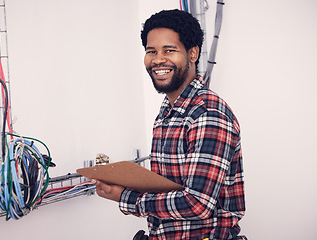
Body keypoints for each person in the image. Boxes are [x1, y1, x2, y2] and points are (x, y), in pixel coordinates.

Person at [92, 9, 247, 240]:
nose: (157, 60)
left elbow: (197, 203)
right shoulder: (167, 112)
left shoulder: (207, 113)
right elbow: (169, 188)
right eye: (151, 51)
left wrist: (124, 197)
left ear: (193, 53)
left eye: (169, 50)